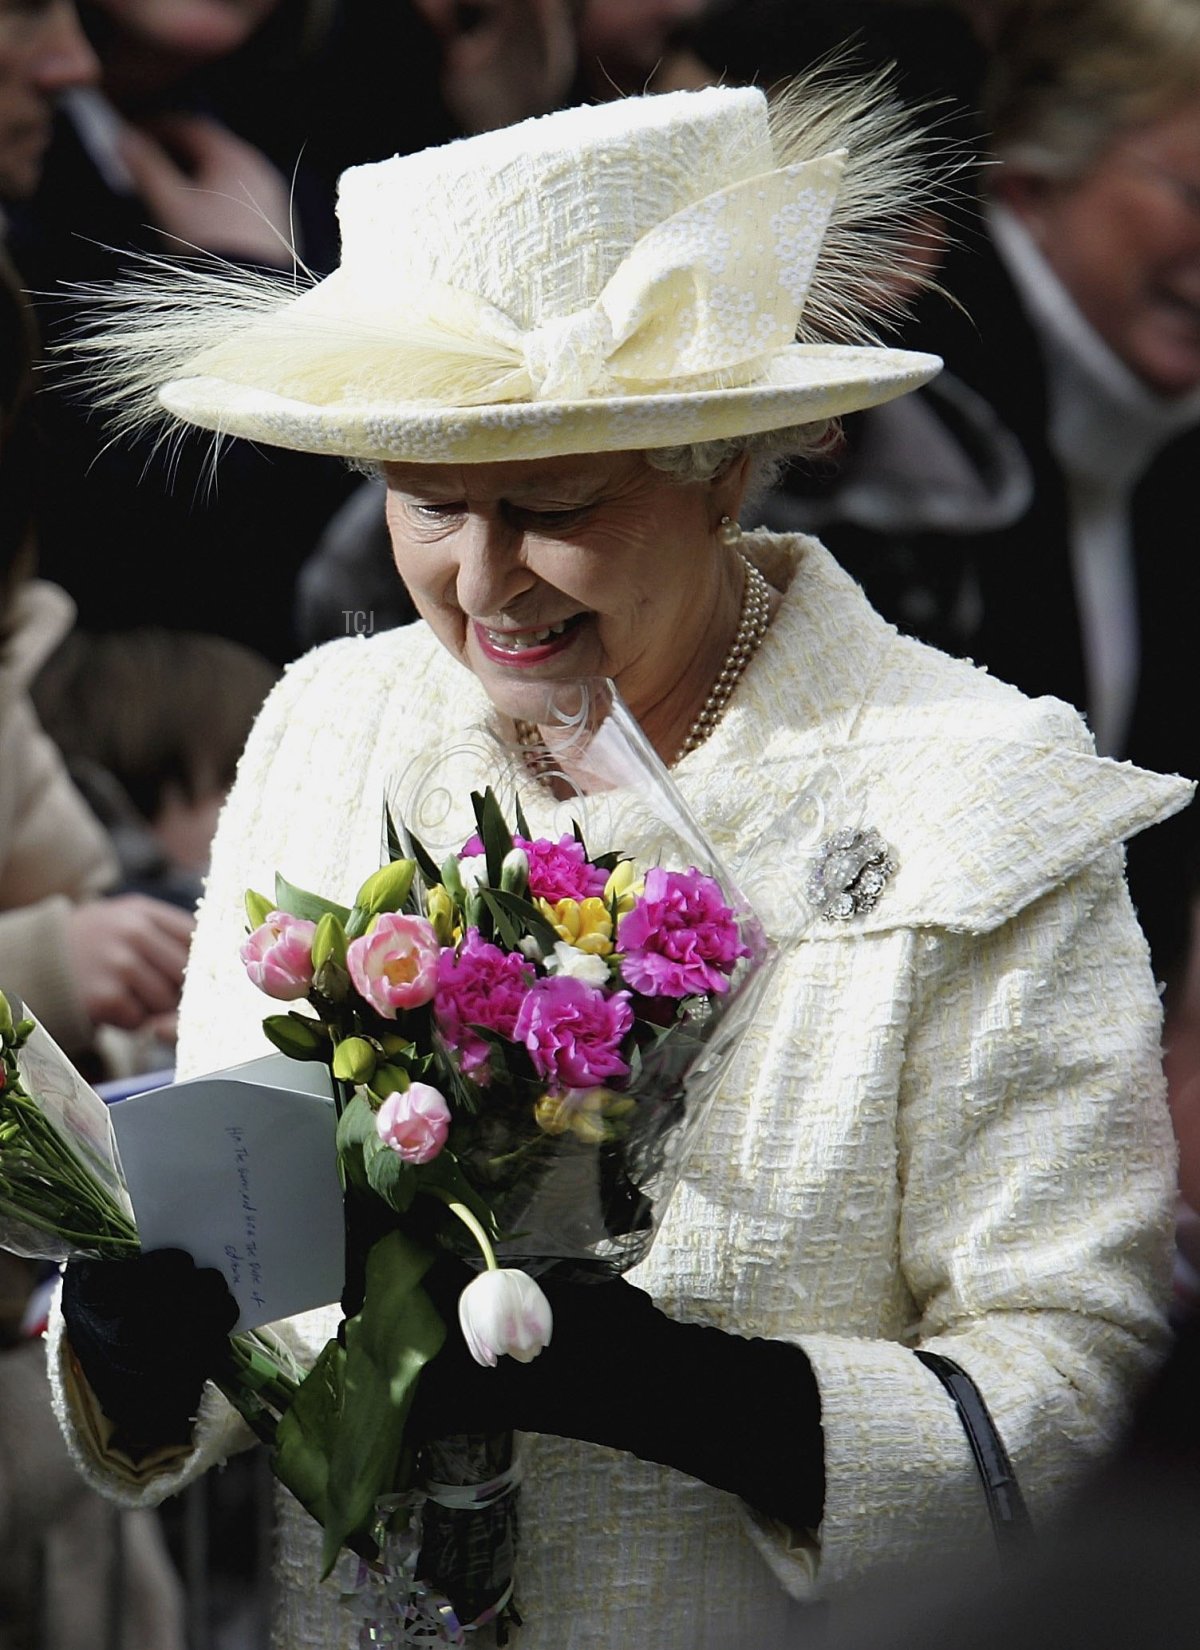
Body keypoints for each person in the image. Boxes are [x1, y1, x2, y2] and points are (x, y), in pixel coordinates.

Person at [47, 79, 1192, 1647]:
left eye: (556, 506)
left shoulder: (981, 797)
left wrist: (702, 1397)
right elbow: (254, 1259)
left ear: (727, 459)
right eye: (428, 503)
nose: (482, 580)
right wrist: (138, 1337)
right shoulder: (335, 721)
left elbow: (1082, 1398)